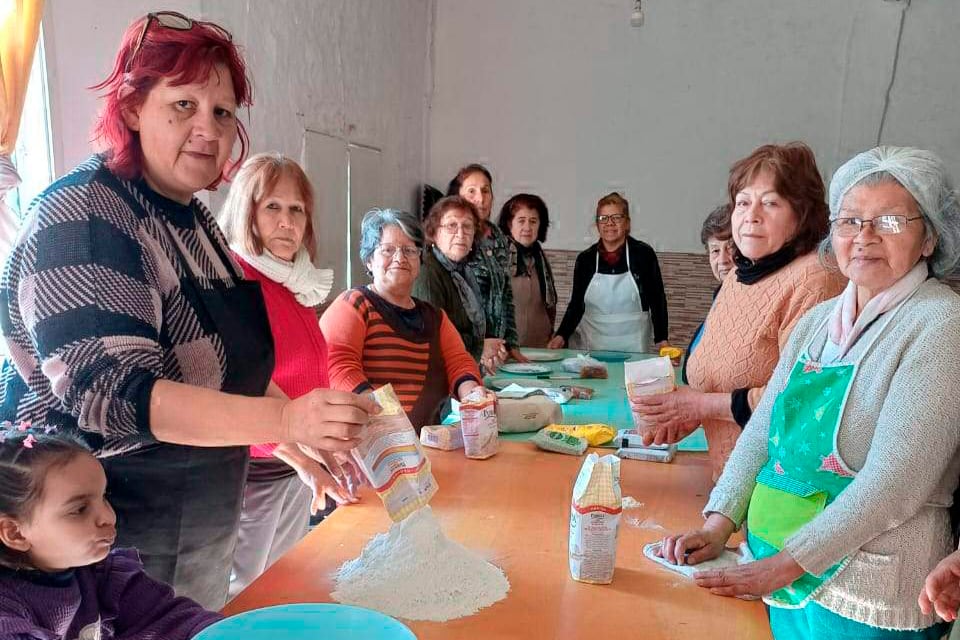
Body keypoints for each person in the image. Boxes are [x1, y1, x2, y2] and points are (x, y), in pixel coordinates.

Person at [0, 12, 375, 609]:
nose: (207, 129)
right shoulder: (86, 215)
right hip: (102, 526)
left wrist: (303, 446)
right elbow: (111, 394)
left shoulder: (195, 221)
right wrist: (283, 424)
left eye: (222, 113)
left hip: (201, 508)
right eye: (182, 105)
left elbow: (230, 378)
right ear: (130, 109)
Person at [657, 146, 960, 639]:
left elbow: (896, 485)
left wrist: (784, 565)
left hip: (867, 596)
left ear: (929, 237)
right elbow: (763, 428)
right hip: (781, 574)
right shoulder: (820, 321)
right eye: (849, 221)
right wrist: (718, 522)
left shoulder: (939, 324)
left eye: (888, 221)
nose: (864, 237)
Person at [632, 143, 845, 480]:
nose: (752, 215)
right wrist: (686, 416)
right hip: (731, 489)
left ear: (801, 214)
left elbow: (802, 400)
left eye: (771, 203)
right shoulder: (738, 276)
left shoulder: (815, 279)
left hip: (785, 492)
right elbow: (721, 378)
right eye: (743, 202)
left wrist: (700, 405)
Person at [218, 153, 356, 599]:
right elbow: (246, 380)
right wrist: (304, 458)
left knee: (283, 583)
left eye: (296, 209)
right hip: (256, 466)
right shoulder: (236, 280)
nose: (286, 222)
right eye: (272, 208)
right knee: (245, 592)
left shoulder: (296, 282)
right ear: (247, 212)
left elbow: (305, 379)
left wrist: (324, 449)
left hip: (293, 466)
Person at [0, 428, 222, 639]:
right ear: (14, 533)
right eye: (79, 509)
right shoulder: (6, 615)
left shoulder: (100, 575)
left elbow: (169, 618)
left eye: (103, 496)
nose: (109, 516)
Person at [322, 209, 483, 430]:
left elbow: (459, 362)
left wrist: (473, 395)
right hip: (366, 444)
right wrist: (381, 417)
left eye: (409, 250)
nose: (399, 258)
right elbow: (338, 364)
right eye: (387, 250)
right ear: (369, 260)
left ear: (420, 261)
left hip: (426, 446)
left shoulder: (435, 318)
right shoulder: (354, 304)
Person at [548, 192, 668, 353]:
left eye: (616, 218)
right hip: (593, 343)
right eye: (603, 218)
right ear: (597, 225)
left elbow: (657, 300)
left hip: (634, 344)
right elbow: (577, 304)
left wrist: (662, 339)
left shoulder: (643, 254)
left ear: (627, 223)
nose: (609, 223)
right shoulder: (586, 259)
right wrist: (561, 335)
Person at [413, 196, 509, 371]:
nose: (460, 233)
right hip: (435, 380)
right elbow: (432, 334)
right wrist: (481, 347)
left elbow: (471, 326)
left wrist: (491, 349)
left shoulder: (463, 271)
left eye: (467, 226)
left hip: (459, 371)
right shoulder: (427, 272)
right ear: (434, 233)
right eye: (451, 226)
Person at [447, 164, 526, 362]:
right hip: (467, 350)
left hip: (497, 351)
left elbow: (506, 293)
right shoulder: (455, 240)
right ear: (458, 196)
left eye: (485, 191)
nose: (480, 199)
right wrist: (479, 346)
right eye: (471, 191)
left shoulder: (498, 236)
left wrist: (512, 344)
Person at [497, 193, 558, 348]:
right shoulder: (497, 259)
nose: (527, 227)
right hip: (505, 351)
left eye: (533, 221)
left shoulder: (541, 260)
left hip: (541, 350)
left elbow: (550, 306)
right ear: (510, 224)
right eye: (521, 221)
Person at [682, 204, 734, 383]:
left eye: (731, 248)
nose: (723, 260)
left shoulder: (747, 301)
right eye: (715, 250)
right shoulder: (721, 295)